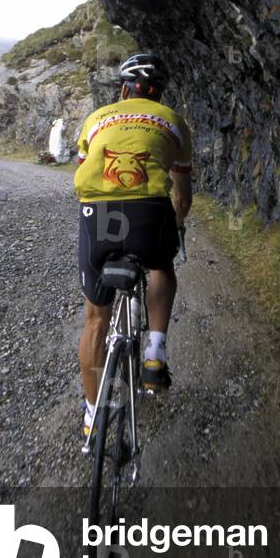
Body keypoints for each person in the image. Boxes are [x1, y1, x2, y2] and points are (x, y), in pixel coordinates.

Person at [74, 52, 193, 437]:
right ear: (158, 95)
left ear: (122, 90)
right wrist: (174, 227)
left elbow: (81, 169)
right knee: (162, 267)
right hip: (150, 214)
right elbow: (183, 196)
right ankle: (155, 353)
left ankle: (93, 416)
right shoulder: (174, 123)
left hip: (99, 215)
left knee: (95, 319)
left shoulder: (96, 119)